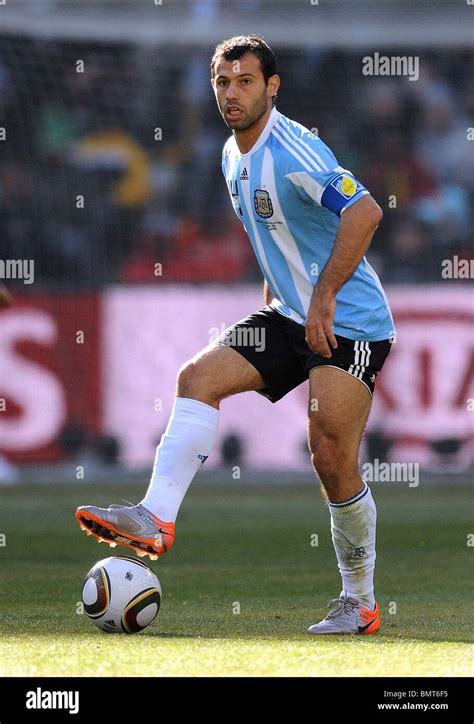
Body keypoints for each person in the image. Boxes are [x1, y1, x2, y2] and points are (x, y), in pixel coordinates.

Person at [76, 36, 396, 636]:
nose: (232, 93)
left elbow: (365, 212)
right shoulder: (230, 154)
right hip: (286, 315)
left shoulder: (293, 150)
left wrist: (323, 295)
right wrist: (275, 304)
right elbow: (277, 238)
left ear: (272, 87)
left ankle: (360, 603)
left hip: (349, 321)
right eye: (223, 82)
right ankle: (155, 517)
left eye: (246, 81)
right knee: (197, 378)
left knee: (330, 458)